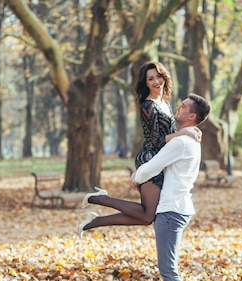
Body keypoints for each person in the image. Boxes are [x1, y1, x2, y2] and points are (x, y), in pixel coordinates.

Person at [77, 61, 200, 235]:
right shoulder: (148, 105)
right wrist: (185, 132)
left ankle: (95, 219)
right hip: (150, 157)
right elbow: (157, 140)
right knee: (148, 215)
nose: (157, 81)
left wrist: (188, 130)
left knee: (147, 216)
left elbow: (170, 133)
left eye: (158, 76)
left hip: (161, 160)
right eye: (151, 79)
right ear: (146, 83)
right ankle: (100, 200)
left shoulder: (164, 102)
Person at [128, 93, 210, 281]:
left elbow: (154, 164)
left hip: (172, 209)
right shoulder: (188, 141)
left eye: (184, 106)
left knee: (169, 268)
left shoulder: (182, 143)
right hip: (175, 207)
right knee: (167, 267)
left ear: (192, 116)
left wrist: (137, 177)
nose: (179, 106)